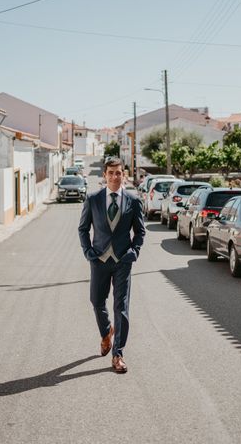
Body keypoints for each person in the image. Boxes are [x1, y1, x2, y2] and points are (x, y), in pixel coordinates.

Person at [78, 157, 145, 373]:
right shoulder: (93, 199)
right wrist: (89, 252)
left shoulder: (133, 201)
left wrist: (133, 252)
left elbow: (140, 231)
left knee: (121, 307)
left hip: (123, 262)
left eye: (118, 173)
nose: (115, 177)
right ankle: (106, 333)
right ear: (104, 175)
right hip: (99, 260)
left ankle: (118, 354)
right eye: (111, 173)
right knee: (97, 301)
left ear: (123, 174)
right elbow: (83, 229)